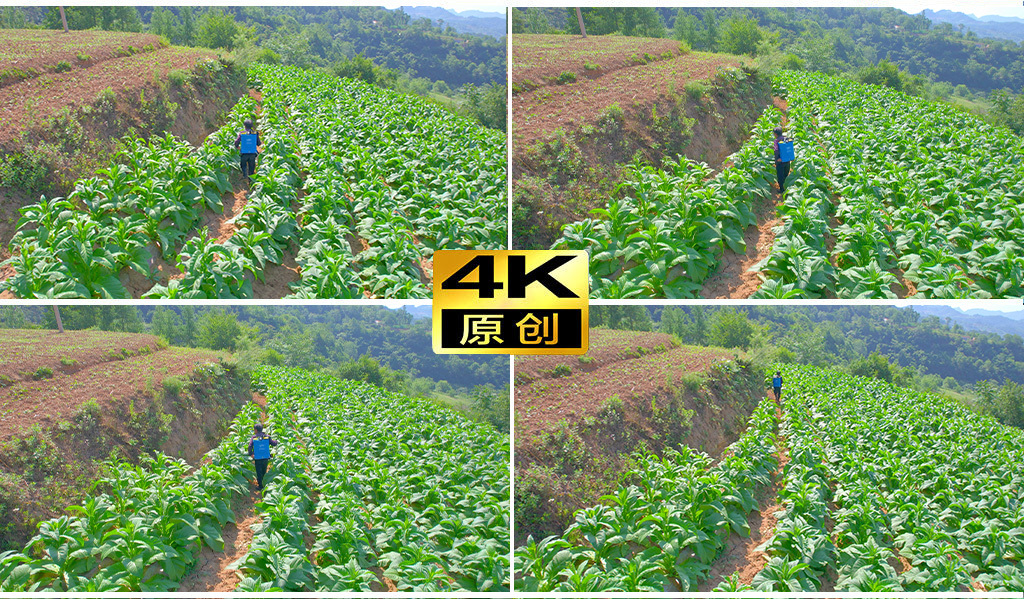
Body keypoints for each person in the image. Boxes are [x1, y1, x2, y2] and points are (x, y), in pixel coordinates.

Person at [246, 422, 278, 491]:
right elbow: (273, 444)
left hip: (257, 457)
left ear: (256, 430)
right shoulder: (267, 437)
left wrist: (251, 454)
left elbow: (249, 446)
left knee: (259, 472)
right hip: (265, 457)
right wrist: (277, 441)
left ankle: (260, 486)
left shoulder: (254, 438)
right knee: (264, 471)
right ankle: (265, 484)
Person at [234, 118, 261, 185]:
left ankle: (244, 175)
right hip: (252, 153)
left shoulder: (242, 133)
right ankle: (250, 180)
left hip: (244, 153)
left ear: (244, 126)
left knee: (243, 165)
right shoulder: (255, 133)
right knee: (251, 166)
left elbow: (236, 142)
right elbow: (259, 143)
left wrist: (237, 147)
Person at [772, 127, 793, 195]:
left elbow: (776, 151)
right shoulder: (786, 138)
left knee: (780, 176)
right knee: (786, 174)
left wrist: (777, 160)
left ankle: (782, 189)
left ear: (775, 134)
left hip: (780, 161)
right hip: (787, 160)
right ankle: (786, 187)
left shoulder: (776, 141)